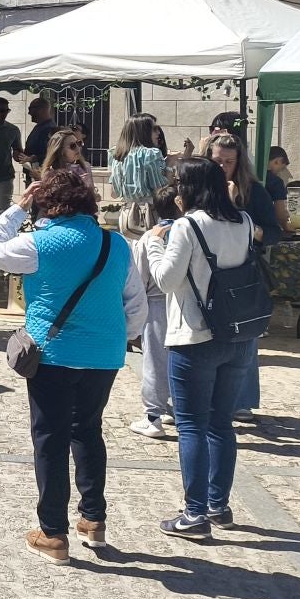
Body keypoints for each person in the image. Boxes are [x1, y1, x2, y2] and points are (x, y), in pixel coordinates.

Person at [0, 165, 143, 562]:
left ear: (46, 203)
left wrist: (18, 209)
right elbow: (136, 304)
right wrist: (117, 337)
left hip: (52, 354)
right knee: (88, 430)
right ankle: (93, 519)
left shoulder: (38, 243)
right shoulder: (116, 244)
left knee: (50, 438)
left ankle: (53, 532)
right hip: (104, 354)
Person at [145, 156, 263, 540]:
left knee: (191, 424)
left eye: (179, 183)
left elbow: (166, 281)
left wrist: (153, 245)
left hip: (196, 335)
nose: (175, 189)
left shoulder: (187, 225)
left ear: (190, 188)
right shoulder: (244, 221)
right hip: (239, 334)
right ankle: (218, 506)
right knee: (221, 422)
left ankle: (194, 514)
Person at [128, 183, 181, 440]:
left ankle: (153, 416)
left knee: (155, 361)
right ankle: (177, 407)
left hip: (156, 303)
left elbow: (139, 277)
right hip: (184, 303)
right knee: (181, 360)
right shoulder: (189, 232)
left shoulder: (150, 237)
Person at [110, 114, 169, 234]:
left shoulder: (117, 155)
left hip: (126, 216)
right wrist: (170, 168)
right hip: (149, 214)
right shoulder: (151, 154)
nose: (158, 133)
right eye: (154, 129)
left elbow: (114, 193)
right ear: (143, 131)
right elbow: (159, 190)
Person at [21, 97, 56, 170]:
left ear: (41, 109)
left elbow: (50, 154)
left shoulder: (49, 128)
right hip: (34, 171)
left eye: (30, 109)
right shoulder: (40, 126)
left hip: (42, 172)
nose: (29, 113)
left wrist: (32, 158)